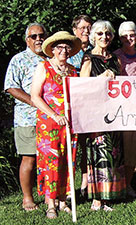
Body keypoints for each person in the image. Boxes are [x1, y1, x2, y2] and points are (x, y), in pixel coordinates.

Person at [31, 31, 81, 218]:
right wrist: (54, 114)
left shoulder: (72, 70)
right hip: (49, 124)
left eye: (67, 47)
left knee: (68, 160)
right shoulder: (44, 67)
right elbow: (35, 96)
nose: (64, 51)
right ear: (52, 50)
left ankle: (63, 200)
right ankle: (50, 203)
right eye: (60, 47)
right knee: (51, 162)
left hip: (69, 123)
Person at [80, 20, 126, 211]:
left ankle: (108, 196)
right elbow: (82, 86)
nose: (104, 37)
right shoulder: (88, 58)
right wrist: (100, 79)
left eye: (107, 33)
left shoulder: (116, 59)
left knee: (113, 153)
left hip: (114, 113)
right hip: (95, 113)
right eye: (99, 34)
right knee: (98, 153)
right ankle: (96, 199)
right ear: (93, 37)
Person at [4, 22, 47, 212]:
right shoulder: (18, 60)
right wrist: (34, 102)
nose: (38, 39)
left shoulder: (49, 59)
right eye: (34, 36)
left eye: (41, 36)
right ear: (27, 40)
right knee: (29, 159)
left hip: (49, 118)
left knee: (48, 159)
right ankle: (27, 198)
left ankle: (49, 195)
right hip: (27, 118)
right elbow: (11, 86)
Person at [113, 21, 136, 198]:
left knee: (135, 148)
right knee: (123, 149)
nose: (129, 38)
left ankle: (129, 184)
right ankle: (119, 185)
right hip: (122, 109)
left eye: (132, 35)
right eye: (125, 35)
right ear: (120, 38)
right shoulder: (115, 56)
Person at [68, 14, 93, 199]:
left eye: (88, 27)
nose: (86, 31)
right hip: (70, 104)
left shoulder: (96, 49)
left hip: (90, 105)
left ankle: (85, 183)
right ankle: (68, 187)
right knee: (70, 147)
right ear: (75, 30)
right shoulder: (68, 50)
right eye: (82, 28)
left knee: (87, 146)